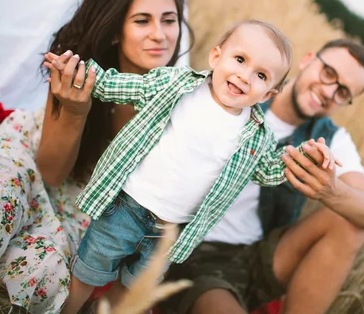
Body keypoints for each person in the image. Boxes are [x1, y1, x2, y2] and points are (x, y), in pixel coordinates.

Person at [44, 20, 341, 314]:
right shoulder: (178, 84)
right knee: (88, 272)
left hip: (169, 233)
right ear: (216, 57)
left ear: (268, 94)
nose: (244, 76)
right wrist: (80, 72)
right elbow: (122, 85)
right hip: (126, 205)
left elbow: (268, 170)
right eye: (239, 59)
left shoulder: (255, 135)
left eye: (261, 75)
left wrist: (306, 156)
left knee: (132, 289)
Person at [0, 0, 193, 314]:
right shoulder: (79, 73)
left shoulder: (183, 104)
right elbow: (49, 173)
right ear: (117, 32)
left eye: (169, 20)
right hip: (32, 153)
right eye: (142, 21)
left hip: (85, 201)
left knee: (46, 270)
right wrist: (75, 112)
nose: (160, 35)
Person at [162, 39, 364, 314]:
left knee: (350, 223)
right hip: (196, 249)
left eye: (343, 92)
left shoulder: (330, 138)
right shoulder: (242, 90)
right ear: (308, 60)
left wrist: (331, 192)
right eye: (328, 73)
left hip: (259, 255)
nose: (329, 91)